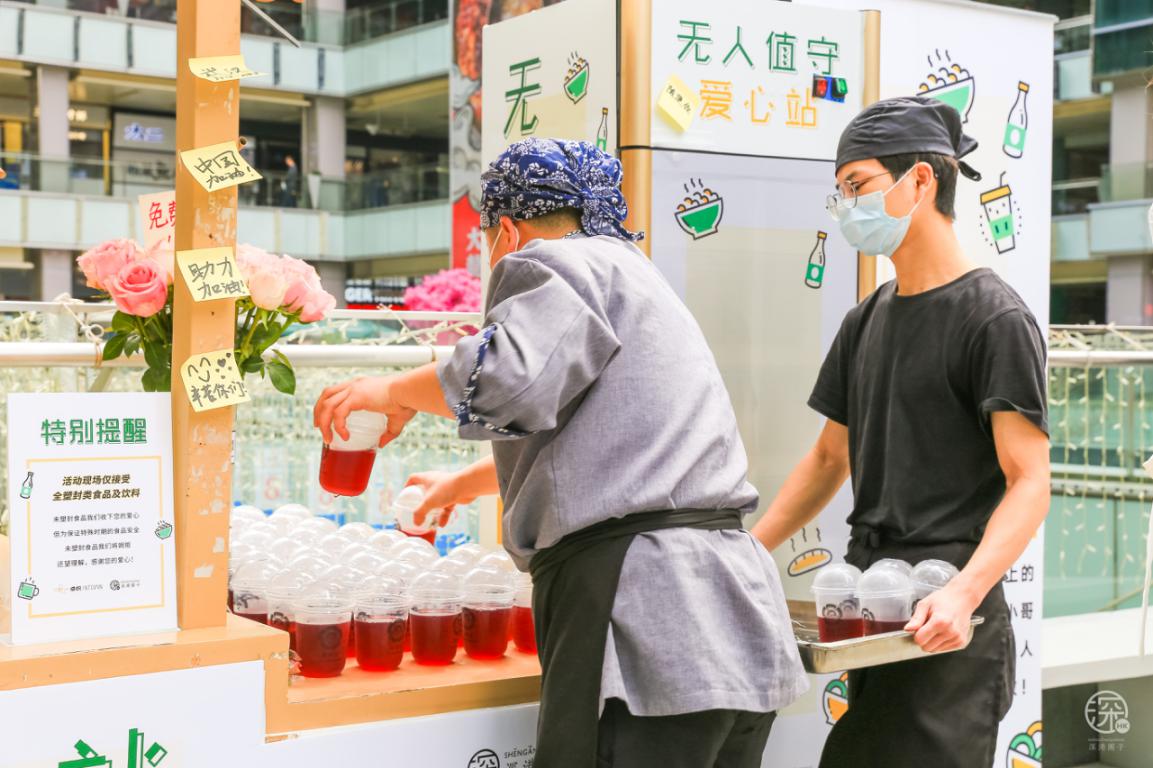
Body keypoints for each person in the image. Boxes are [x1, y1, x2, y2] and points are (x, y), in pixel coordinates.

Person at [314, 138, 807, 768]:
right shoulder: (634, 274)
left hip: (644, 615)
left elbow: (505, 378)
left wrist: (389, 391)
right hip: (735, 620)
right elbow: (610, 448)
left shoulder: (555, 262)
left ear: (508, 230)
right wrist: (462, 485)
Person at [750, 96, 1050, 767]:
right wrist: (747, 553)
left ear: (920, 180)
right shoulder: (866, 320)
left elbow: (1030, 480)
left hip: (949, 611)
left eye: (856, 185)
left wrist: (964, 590)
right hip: (873, 601)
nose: (845, 205)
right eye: (840, 191)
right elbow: (828, 459)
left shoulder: (993, 319)